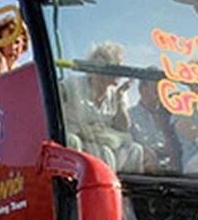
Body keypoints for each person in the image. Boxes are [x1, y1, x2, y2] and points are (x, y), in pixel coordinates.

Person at [59, 41, 144, 173]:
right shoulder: (72, 86)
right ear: (103, 68)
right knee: (104, 154)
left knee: (135, 150)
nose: (121, 74)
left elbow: (123, 127)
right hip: (78, 143)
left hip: (104, 141)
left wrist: (120, 98)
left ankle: (130, 191)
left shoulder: (116, 93)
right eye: (117, 68)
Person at [129, 78, 187, 174]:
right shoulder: (130, 116)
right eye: (155, 89)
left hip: (174, 170)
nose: (159, 93)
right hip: (143, 171)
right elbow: (130, 147)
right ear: (141, 89)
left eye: (162, 90)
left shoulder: (170, 115)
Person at [0, 16, 29, 80]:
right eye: (7, 41)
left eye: (17, 42)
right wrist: (1, 64)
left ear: (23, 46)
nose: (13, 47)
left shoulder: (22, 72)